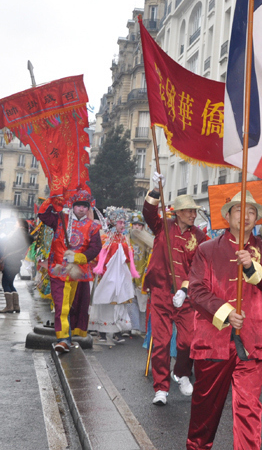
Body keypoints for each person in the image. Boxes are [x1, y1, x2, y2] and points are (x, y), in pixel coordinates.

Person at [186, 191, 262, 450]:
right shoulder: (206, 250)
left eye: (252, 211)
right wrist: (225, 312)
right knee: (205, 410)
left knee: (249, 410)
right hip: (213, 342)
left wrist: (252, 268)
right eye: (240, 210)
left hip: (253, 342)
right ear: (227, 215)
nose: (246, 216)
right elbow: (196, 291)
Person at [142, 172, 209, 406]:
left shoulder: (201, 237)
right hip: (160, 293)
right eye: (189, 211)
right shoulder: (162, 227)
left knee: (188, 341)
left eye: (195, 211)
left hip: (186, 298)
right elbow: (148, 213)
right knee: (161, 342)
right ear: (177, 212)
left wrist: (185, 289)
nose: (193, 214)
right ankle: (161, 388)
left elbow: (200, 268)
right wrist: (154, 190)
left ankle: (181, 373)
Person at [38, 189, 103, 353]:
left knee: (70, 305)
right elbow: (43, 215)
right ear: (72, 207)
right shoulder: (60, 220)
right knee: (61, 305)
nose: (81, 209)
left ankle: (68, 335)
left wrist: (79, 257)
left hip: (76, 272)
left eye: (84, 206)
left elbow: (96, 249)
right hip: (57, 270)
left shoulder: (93, 227)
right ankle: (63, 340)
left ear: (88, 209)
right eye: (78, 206)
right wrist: (53, 199)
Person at [89, 207, 139, 344]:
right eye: (120, 223)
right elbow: (98, 257)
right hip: (107, 275)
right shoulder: (105, 237)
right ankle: (103, 332)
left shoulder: (124, 238)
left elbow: (129, 258)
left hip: (120, 276)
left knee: (119, 304)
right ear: (112, 222)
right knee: (105, 303)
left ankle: (117, 331)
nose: (122, 225)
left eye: (124, 223)